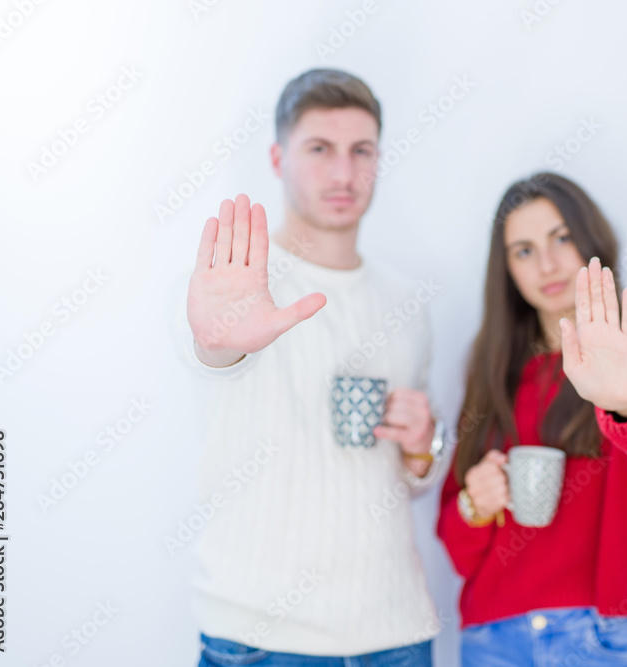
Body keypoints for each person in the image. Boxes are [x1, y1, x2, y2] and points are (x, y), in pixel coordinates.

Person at [174, 68, 449, 666]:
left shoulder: (407, 301)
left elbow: (413, 475)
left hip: (396, 635)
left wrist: (425, 446)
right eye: (320, 150)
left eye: (362, 151)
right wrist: (219, 341)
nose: (344, 174)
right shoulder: (235, 282)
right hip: (259, 642)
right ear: (277, 157)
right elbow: (209, 354)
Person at [436, 172, 627, 666]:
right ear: (506, 270)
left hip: (609, 636)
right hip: (495, 638)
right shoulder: (492, 374)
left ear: (592, 239)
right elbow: (456, 548)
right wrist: (476, 503)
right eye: (524, 250)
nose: (548, 263)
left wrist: (622, 396)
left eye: (561, 237)